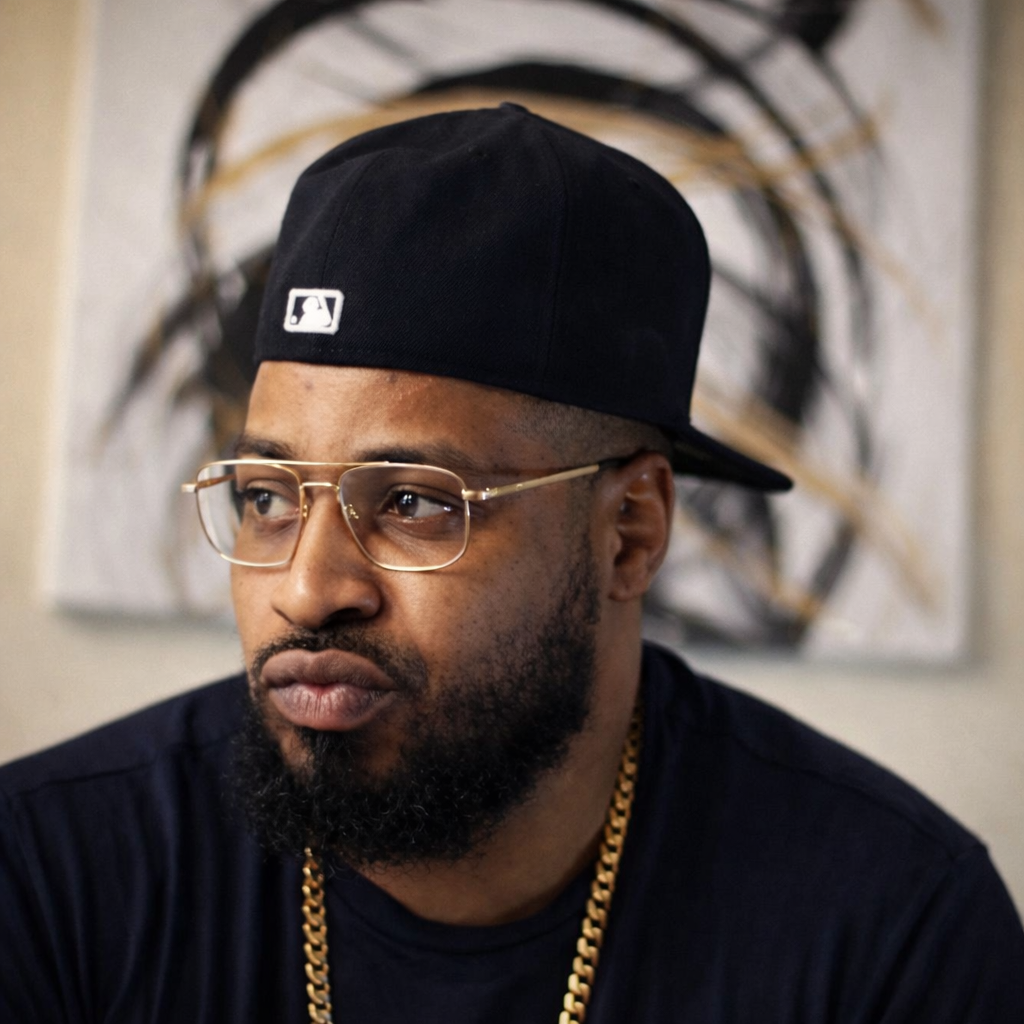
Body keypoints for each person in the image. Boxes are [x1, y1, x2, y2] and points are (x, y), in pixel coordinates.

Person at [1, 104, 1022, 1023]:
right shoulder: (50, 872)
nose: (307, 589)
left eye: (410, 503)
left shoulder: (891, 924)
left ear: (628, 532)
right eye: (268, 498)